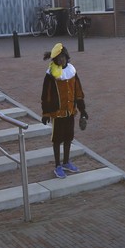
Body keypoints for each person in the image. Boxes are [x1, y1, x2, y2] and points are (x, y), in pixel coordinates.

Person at [40, 43, 89, 179]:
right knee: (57, 139)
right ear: (55, 59)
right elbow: (46, 95)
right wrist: (46, 113)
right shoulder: (51, 74)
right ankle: (57, 166)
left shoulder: (72, 71)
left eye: (63, 57)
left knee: (68, 137)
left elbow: (78, 92)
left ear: (67, 57)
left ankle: (66, 162)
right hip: (57, 113)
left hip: (70, 111)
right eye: (58, 58)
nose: (61, 60)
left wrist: (82, 110)